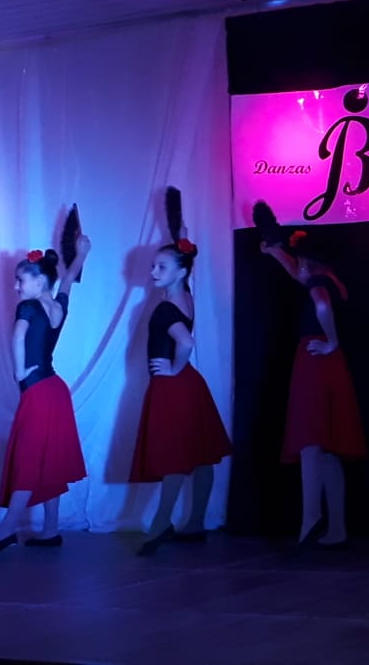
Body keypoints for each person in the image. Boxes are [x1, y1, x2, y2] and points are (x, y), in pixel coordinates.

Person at [260, 225, 366, 548]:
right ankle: (337, 528)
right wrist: (274, 252)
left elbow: (321, 305)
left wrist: (331, 341)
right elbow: (297, 273)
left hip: (315, 358)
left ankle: (311, 519)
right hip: (331, 363)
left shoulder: (318, 283)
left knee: (310, 441)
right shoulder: (331, 279)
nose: (298, 267)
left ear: (309, 262)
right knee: (328, 451)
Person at [130, 231, 232, 555]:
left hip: (172, 386)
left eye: (161, 267)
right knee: (200, 455)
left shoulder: (165, 308)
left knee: (175, 455)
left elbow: (186, 342)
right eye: (154, 266)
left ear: (182, 271)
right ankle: (196, 522)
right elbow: (185, 339)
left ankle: (161, 523)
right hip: (189, 384)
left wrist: (173, 369)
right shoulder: (186, 296)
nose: (153, 271)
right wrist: (182, 236)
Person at [0, 236, 90, 554]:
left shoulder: (28, 306)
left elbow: (18, 336)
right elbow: (68, 280)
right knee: (48, 460)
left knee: (28, 459)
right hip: (56, 391)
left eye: (20, 280)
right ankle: (50, 530)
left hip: (37, 393)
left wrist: (19, 371)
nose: (16, 287)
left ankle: (6, 529)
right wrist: (81, 255)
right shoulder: (58, 306)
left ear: (39, 281)